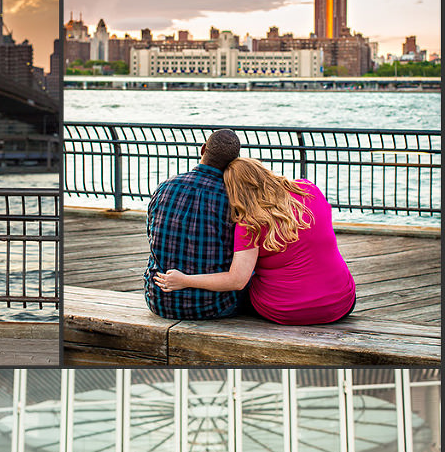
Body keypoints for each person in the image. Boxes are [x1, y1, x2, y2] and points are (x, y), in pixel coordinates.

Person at [155, 158, 356, 325]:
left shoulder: (250, 222)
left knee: (245, 275)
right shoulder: (308, 189)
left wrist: (184, 280)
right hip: (341, 303)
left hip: (286, 310)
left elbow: (237, 280)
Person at [144, 128, 241, 320]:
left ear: (203, 149)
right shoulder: (234, 199)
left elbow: (151, 234)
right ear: (234, 162)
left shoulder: (166, 186)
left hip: (159, 299)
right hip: (213, 305)